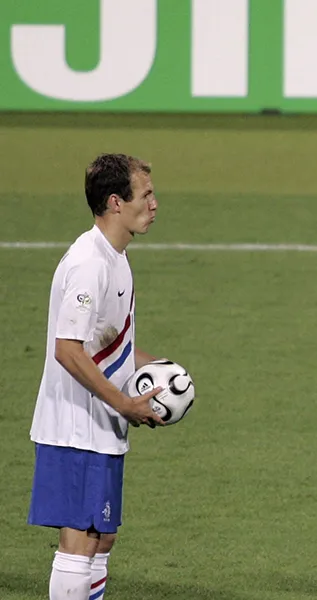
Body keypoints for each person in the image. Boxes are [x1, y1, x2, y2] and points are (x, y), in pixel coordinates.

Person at [28, 153, 166, 600]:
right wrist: (124, 403)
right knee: (80, 541)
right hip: (76, 428)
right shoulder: (89, 263)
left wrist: (160, 371)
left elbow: (108, 341)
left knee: (102, 537)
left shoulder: (115, 257)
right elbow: (68, 349)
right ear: (115, 202)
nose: (154, 204)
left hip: (99, 426)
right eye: (145, 195)